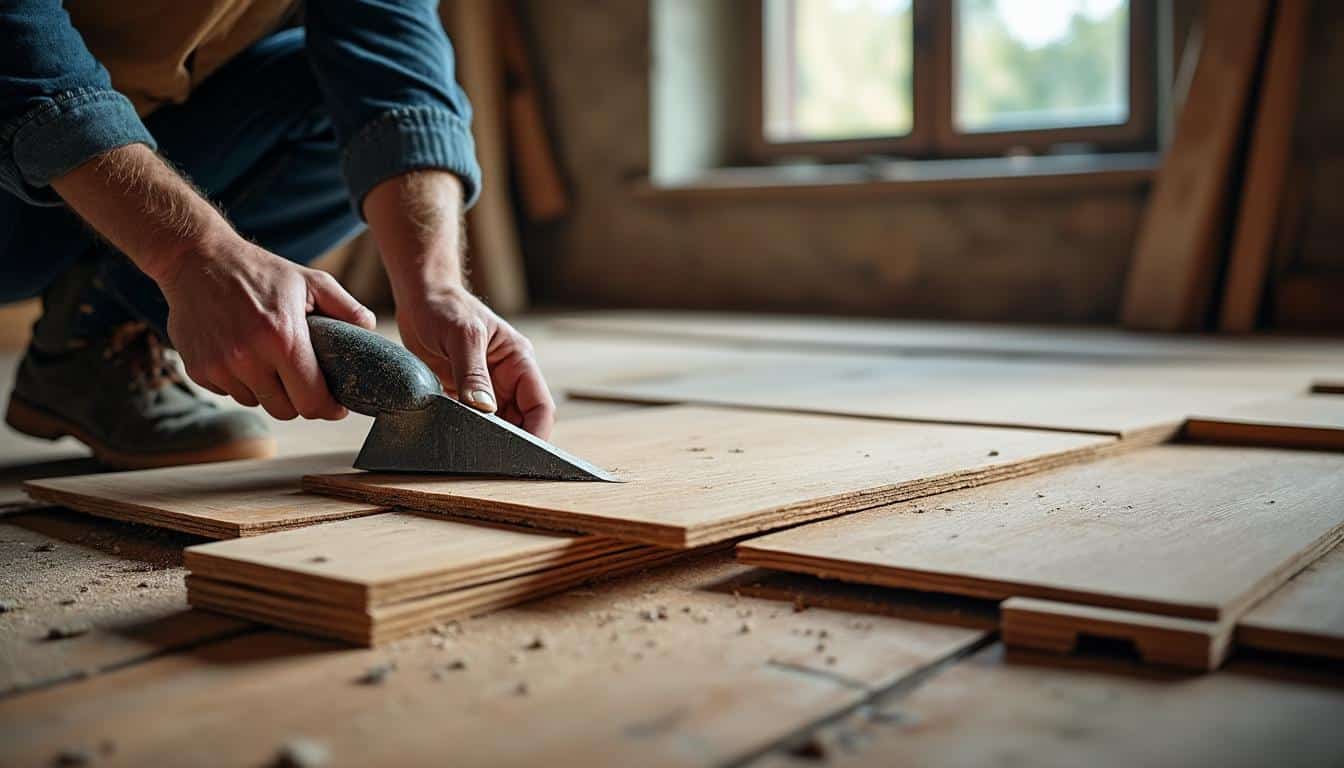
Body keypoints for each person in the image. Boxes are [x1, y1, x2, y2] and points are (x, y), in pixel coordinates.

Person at [0, 0, 555, 468]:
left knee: (338, 101)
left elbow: (396, 60)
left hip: (136, 137)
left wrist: (433, 284)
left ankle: (93, 336)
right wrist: (191, 253)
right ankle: (151, 285)